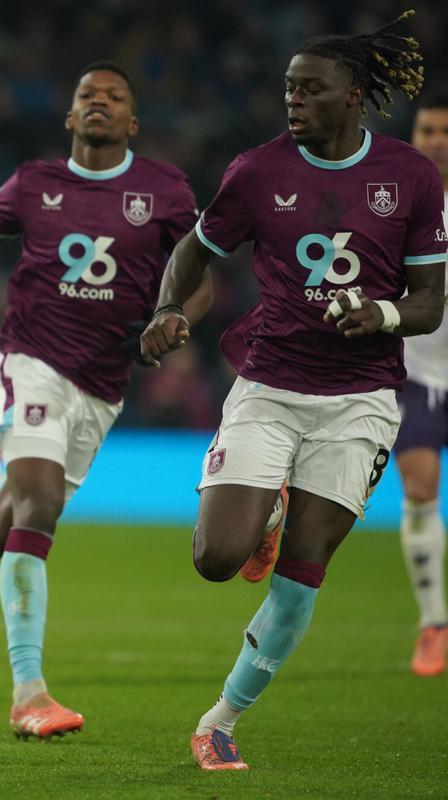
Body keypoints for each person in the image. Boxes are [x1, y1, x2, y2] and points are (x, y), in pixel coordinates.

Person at [140, 12, 445, 770]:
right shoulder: (257, 171)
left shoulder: (411, 176)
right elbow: (195, 249)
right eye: (288, 89)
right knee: (216, 558)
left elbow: (431, 300)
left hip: (362, 399)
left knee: (303, 574)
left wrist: (378, 312)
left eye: (311, 90)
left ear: (353, 98)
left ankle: (219, 720)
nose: (294, 101)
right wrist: (171, 309)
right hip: (270, 385)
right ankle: (266, 501)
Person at [0, 62, 214, 740]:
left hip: (103, 385)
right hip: (30, 362)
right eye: (86, 96)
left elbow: (198, 271)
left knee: (7, 527)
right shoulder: (34, 183)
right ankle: (29, 694)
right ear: (69, 116)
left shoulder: (164, 190)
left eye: (114, 97)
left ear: (133, 121)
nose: (99, 103)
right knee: (37, 511)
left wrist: (175, 316)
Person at [398, 90, 448, 677]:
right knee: (419, 489)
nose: (436, 140)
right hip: (415, 375)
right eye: (427, 129)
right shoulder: (397, 206)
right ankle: (434, 621)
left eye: (444, 131)